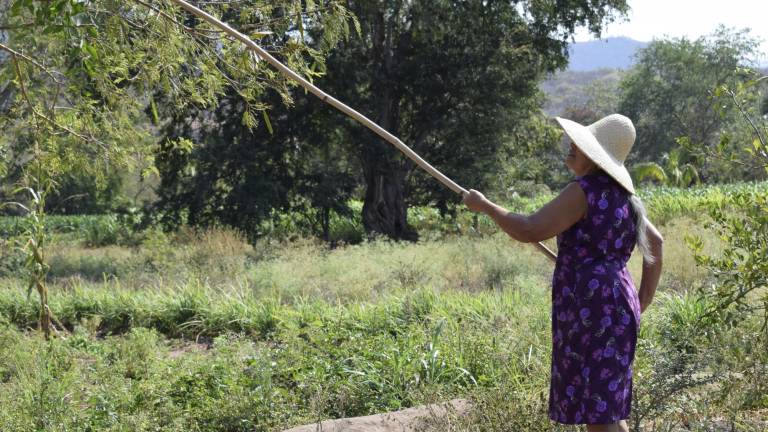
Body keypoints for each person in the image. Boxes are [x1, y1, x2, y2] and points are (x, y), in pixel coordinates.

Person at [463, 114, 663, 432]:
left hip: (592, 311)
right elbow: (657, 243)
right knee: (604, 412)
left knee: (600, 417)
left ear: (596, 158)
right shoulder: (625, 198)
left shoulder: (584, 191)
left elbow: (530, 229)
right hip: (615, 304)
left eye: (580, 145)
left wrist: (485, 206)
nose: (572, 146)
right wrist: (640, 302)